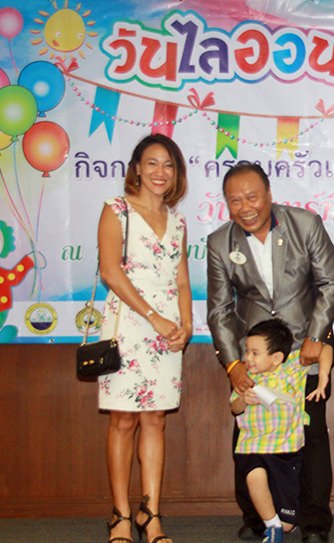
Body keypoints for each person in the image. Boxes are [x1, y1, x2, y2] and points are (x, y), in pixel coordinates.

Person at [206, 162, 334, 543]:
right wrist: (234, 363)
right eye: (235, 200)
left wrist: (317, 336)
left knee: (310, 435)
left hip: (305, 351)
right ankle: (256, 518)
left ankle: (314, 522)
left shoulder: (305, 224)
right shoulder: (220, 243)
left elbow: (331, 281)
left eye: (252, 197)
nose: (245, 207)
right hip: (256, 359)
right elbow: (218, 310)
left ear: (269, 195)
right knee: (250, 436)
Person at [97, 134, 192, 543]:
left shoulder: (178, 221)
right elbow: (110, 273)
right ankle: (120, 515)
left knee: (155, 420)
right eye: (151, 163)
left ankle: (150, 514)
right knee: (123, 420)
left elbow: (182, 279)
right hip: (129, 327)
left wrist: (185, 325)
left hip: (168, 332)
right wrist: (152, 316)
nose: (160, 172)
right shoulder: (116, 210)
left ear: (176, 174)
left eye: (168, 165)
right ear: (136, 168)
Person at [230, 319, 333, 543]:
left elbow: (325, 348)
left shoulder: (292, 369)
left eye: (255, 353)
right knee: (254, 476)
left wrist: (323, 375)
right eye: (247, 351)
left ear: (276, 357)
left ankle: (281, 524)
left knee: (289, 523)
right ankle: (271, 525)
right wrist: (243, 400)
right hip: (252, 446)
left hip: (285, 450)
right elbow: (234, 407)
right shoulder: (246, 378)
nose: (248, 358)